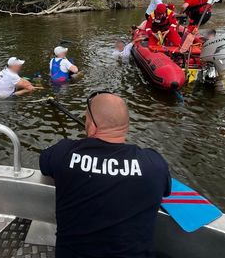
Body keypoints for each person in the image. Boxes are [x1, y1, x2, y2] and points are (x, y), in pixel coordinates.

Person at [40, 92, 171, 258]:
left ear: (93, 127)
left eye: (86, 118)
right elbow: (166, 190)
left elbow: (44, 162)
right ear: (126, 125)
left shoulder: (63, 153)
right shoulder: (154, 164)